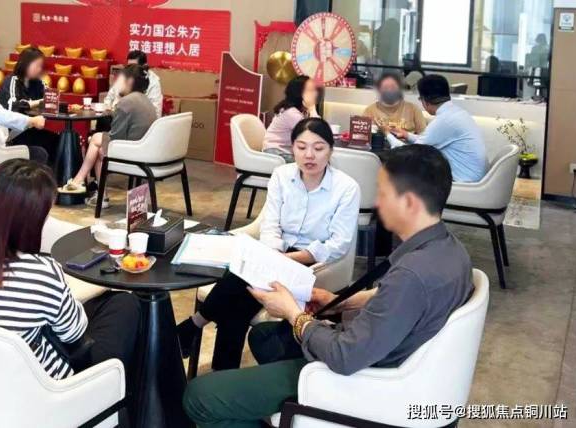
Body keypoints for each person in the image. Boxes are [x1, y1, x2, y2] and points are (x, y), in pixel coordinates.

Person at [183, 144, 474, 428]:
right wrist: (339, 301)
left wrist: (293, 314)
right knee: (265, 337)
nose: (377, 203)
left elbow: (345, 356)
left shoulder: (412, 275)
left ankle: (295, 405)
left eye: (383, 193)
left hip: (359, 380)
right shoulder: (448, 250)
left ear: (409, 203)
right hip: (380, 355)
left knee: (199, 396)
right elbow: (393, 303)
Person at [177, 118, 360, 371]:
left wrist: (284, 260)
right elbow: (270, 224)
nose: (309, 155)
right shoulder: (282, 175)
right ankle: (217, 365)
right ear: (292, 148)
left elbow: (337, 245)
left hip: (314, 263)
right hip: (277, 250)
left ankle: (195, 327)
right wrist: (272, 254)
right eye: (301, 147)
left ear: (330, 150)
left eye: (318, 148)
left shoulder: (346, 188)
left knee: (240, 289)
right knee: (240, 300)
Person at [0, 159, 140, 388]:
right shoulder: (41, 275)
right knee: (126, 304)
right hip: (49, 389)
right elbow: (75, 333)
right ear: (27, 224)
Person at [60, 64, 157, 208]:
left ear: (129, 81)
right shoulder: (145, 100)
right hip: (144, 150)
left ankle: (80, 182)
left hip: (133, 153)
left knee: (96, 140)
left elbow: (115, 137)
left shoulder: (127, 102)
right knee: (99, 148)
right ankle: (95, 192)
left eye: (121, 80)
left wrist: (97, 139)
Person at [385, 74, 487, 182]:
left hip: (465, 182)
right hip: (475, 178)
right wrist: (407, 135)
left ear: (425, 101)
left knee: (404, 169)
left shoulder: (444, 120)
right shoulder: (456, 113)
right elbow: (429, 141)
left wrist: (387, 134)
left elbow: (412, 154)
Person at [0, 47, 60, 164]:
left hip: (30, 129)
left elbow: (50, 98)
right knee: (42, 150)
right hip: (13, 133)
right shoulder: (12, 81)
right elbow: (12, 106)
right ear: (25, 64)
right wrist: (36, 103)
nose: (39, 69)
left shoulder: (38, 82)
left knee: (58, 140)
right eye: (37, 65)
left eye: (41, 66)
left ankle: (56, 175)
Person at [262, 75, 320, 163]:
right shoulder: (291, 113)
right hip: (276, 152)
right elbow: (315, 132)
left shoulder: (297, 110)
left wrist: (311, 109)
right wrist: (312, 109)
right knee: (313, 161)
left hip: (282, 151)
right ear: (300, 94)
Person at [104, 50, 163, 118]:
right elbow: (109, 97)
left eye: (134, 67)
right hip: (116, 115)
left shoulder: (153, 82)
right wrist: (108, 109)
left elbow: (156, 112)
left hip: (137, 118)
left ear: (144, 66)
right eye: (129, 66)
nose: (130, 70)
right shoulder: (124, 76)